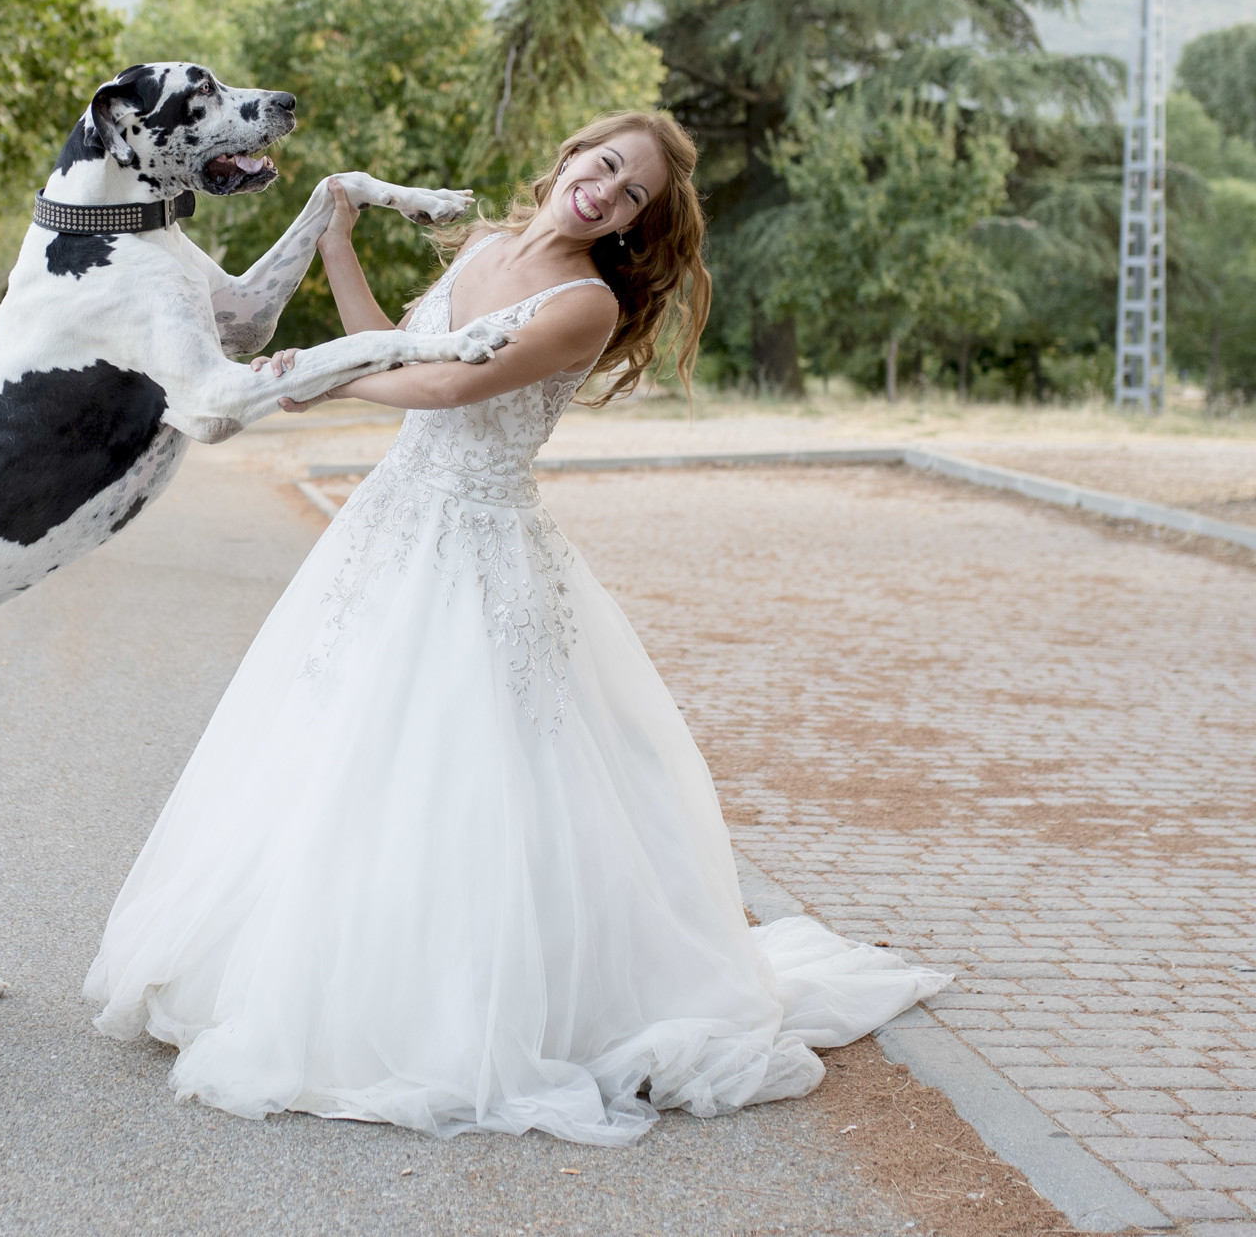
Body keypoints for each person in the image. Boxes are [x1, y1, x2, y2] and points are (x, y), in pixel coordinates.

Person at [84, 111, 946, 1146]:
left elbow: (445, 385)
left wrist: (313, 374)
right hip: (390, 526)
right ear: (574, 155)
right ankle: (310, 960)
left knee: (464, 771)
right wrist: (334, 251)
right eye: (606, 166)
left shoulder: (581, 304)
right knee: (337, 747)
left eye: (631, 199)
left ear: (633, 228)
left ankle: (461, 1004)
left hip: (477, 550)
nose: (607, 193)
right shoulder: (487, 249)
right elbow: (400, 352)